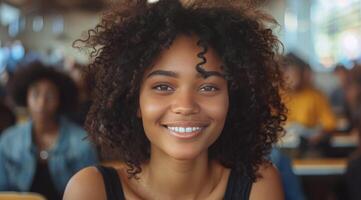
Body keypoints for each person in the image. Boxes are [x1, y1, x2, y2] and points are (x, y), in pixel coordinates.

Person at [64, 0, 287, 199]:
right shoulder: (92, 190)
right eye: (163, 86)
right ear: (134, 101)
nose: (185, 106)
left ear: (233, 99)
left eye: (208, 87)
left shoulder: (258, 184)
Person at [0, 61, 98, 200]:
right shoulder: (8, 141)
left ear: (60, 100)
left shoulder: (81, 142)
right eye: (35, 94)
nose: (41, 102)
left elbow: (91, 192)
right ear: (26, 97)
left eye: (50, 96)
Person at [282, 53, 337, 147]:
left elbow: (330, 124)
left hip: (308, 145)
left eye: (295, 73)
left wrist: (318, 136)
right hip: (282, 145)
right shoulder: (278, 95)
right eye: (288, 73)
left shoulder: (316, 95)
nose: (291, 77)